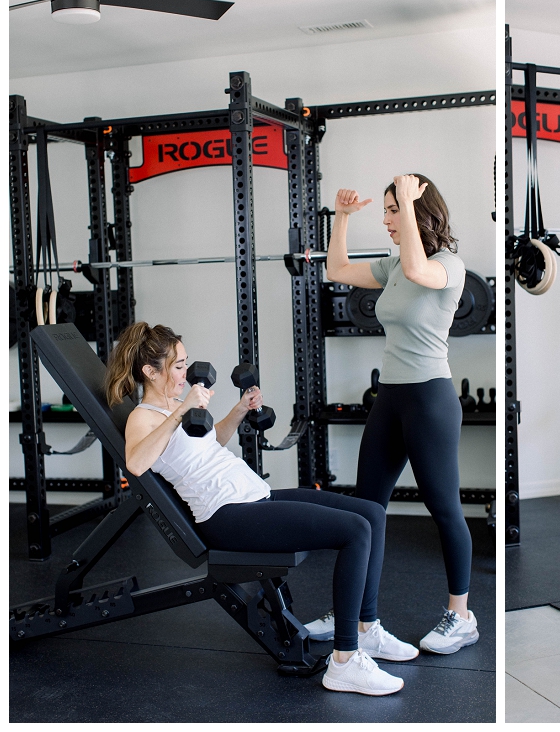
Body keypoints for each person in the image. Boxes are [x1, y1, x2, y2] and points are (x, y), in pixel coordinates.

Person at [106, 322, 413, 696]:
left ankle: (366, 631)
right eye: (178, 367)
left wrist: (238, 410)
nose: (186, 375)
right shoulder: (144, 416)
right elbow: (136, 462)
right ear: (149, 372)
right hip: (227, 515)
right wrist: (180, 411)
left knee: (372, 514)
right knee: (356, 531)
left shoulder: (176, 403)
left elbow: (209, 442)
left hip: (254, 495)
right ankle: (344, 662)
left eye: (186, 364)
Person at [321, 174, 478, 655]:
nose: (387, 219)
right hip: (390, 399)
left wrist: (409, 203)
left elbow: (416, 268)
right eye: (386, 211)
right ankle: (360, 617)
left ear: (418, 209)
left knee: (445, 509)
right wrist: (343, 217)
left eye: (393, 210)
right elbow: (338, 269)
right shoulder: (393, 264)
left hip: (430, 399)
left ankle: (461, 615)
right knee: (368, 509)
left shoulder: (449, 265)